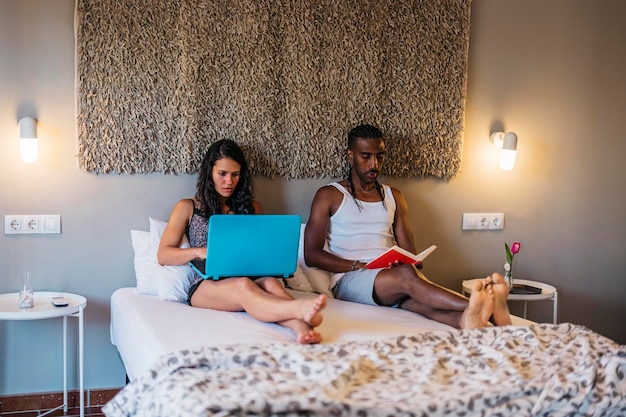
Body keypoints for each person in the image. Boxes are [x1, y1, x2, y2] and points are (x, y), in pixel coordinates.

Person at [304, 124, 512, 329]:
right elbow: (311, 254)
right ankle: (486, 306)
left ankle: (479, 319)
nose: (374, 164)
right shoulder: (329, 195)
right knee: (407, 277)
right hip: (350, 279)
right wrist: (358, 266)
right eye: (365, 156)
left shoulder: (394, 196)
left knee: (418, 304)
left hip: (391, 276)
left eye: (380, 156)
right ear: (350, 155)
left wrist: (410, 262)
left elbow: (409, 252)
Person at [157, 139, 327, 344]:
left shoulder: (253, 207)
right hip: (206, 285)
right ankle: (298, 309)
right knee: (243, 285)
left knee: (272, 283)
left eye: (235, 174)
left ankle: (302, 329)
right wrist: (199, 251)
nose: (229, 181)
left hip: (251, 276)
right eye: (222, 174)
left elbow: (260, 250)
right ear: (209, 173)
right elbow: (163, 255)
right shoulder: (188, 207)